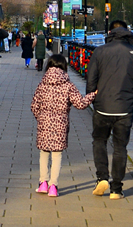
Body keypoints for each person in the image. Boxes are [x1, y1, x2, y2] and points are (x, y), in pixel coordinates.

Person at [86, 19, 133, 200]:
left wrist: (93, 98)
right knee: (120, 147)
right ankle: (116, 189)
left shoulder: (100, 51)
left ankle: (102, 178)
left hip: (103, 106)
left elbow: (91, 79)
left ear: (110, 33)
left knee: (99, 141)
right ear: (127, 32)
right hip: (124, 107)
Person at [30, 54, 96, 198]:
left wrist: (40, 118)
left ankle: (43, 183)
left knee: (44, 153)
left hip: (44, 123)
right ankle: (53, 186)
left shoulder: (42, 84)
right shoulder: (68, 85)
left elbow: (34, 105)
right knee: (57, 155)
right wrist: (92, 95)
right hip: (60, 124)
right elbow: (80, 104)